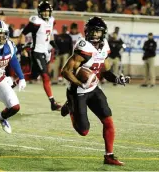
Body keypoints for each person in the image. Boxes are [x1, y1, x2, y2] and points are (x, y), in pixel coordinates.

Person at [61, 17, 130, 165]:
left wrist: (117, 79)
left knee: (109, 121)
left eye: (97, 32)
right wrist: (80, 83)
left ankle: (109, 156)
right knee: (84, 131)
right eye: (92, 32)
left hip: (93, 88)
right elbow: (65, 71)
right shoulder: (83, 47)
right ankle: (70, 107)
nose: (94, 35)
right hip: (78, 91)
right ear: (86, 32)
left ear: (103, 33)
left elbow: (105, 71)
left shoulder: (104, 46)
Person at [19, 1, 62, 111]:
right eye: (44, 12)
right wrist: (23, 47)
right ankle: (53, 102)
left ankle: (14, 82)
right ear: (39, 12)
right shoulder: (35, 21)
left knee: (33, 76)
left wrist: (54, 45)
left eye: (48, 12)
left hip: (45, 52)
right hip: (36, 51)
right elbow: (23, 33)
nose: (46, 14)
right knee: (45, 76)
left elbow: (50, 33)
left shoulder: (51, 20)